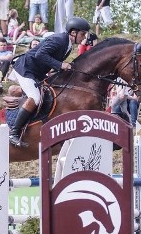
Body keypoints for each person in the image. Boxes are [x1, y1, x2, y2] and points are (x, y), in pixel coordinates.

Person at [9, 17, 90, 146]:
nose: (84, 37)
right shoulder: (59, 39)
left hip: (37, 72)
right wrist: (60, 64)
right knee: (35, 98)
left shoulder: (68, 45)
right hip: (26, 69)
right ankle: (13, 132)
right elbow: (40, 54)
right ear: (73, 33)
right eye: (82, 34)